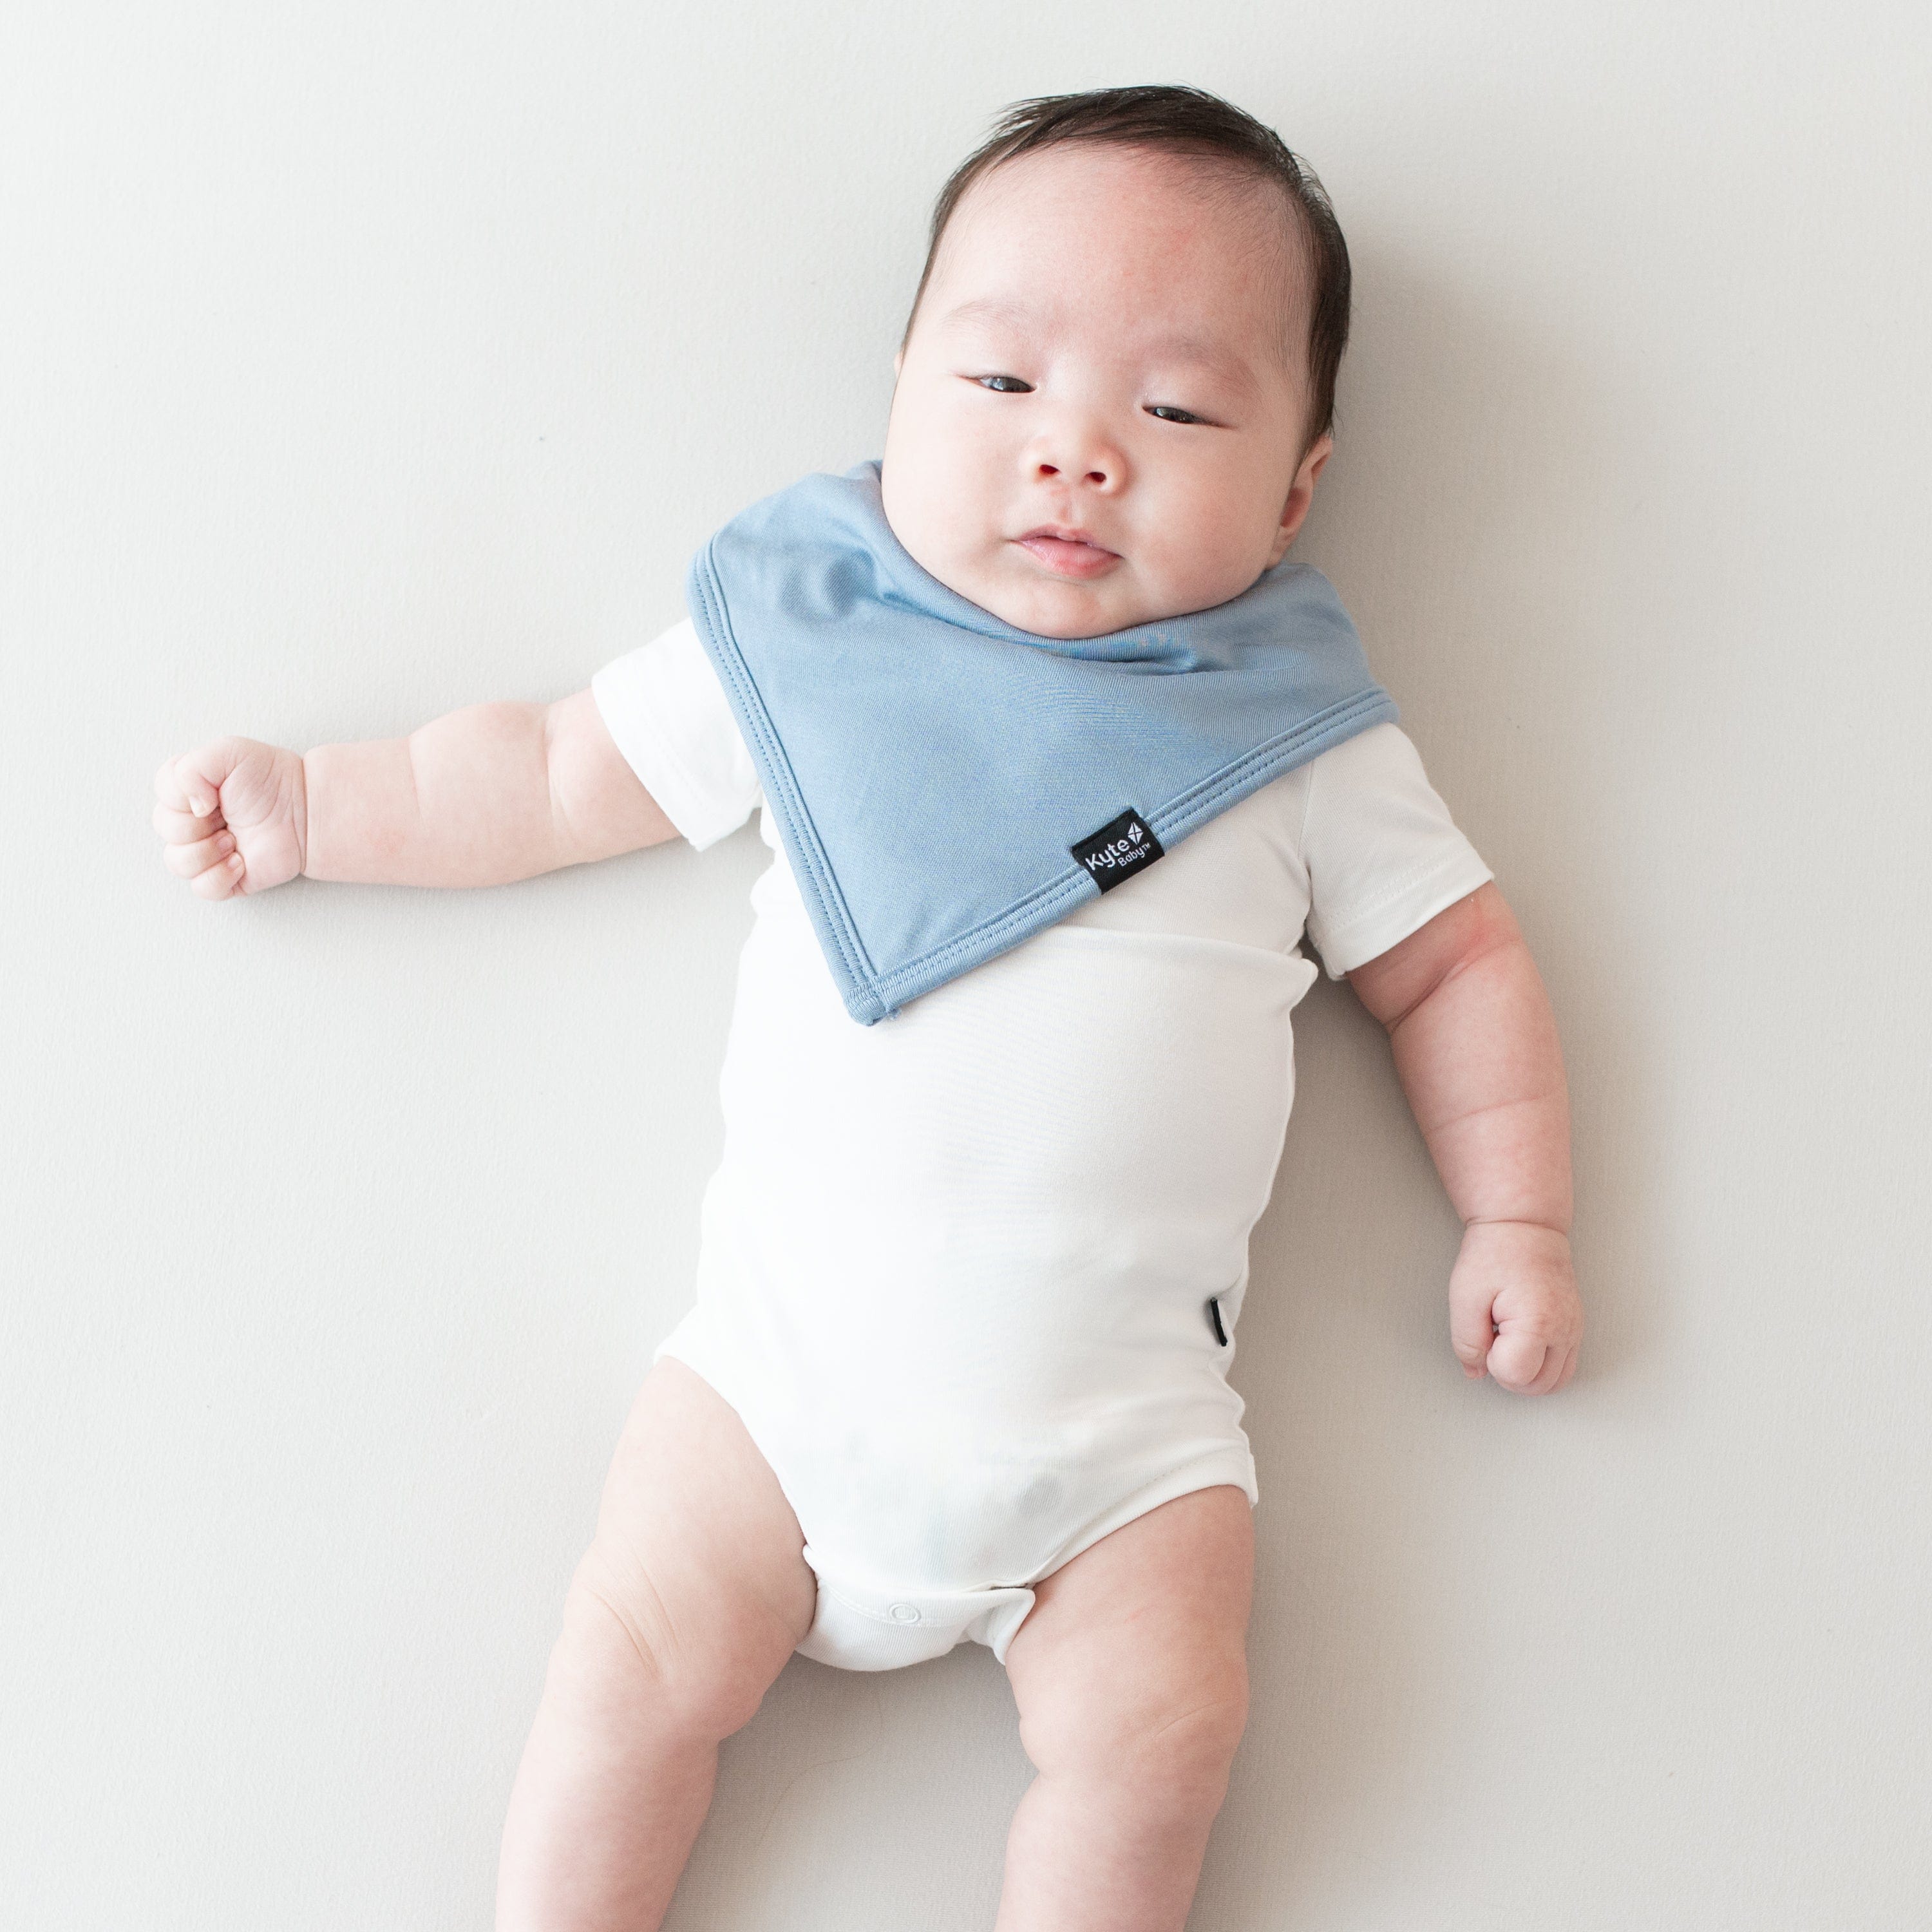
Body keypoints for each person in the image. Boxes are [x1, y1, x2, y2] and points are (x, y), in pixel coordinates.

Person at [153, 84, 1583, 1932]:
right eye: (1002, 387)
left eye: (1175, 408)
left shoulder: (1297, 743)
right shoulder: (820, 646)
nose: (1077, 455)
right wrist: (323, 811)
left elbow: (1458, 961)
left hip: (1125, 1464)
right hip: (770, 1397)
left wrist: (1520, 1215)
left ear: (1300, 483)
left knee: (1160, 1737)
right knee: (628, 1673)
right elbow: (558, 770)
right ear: (901, 387)